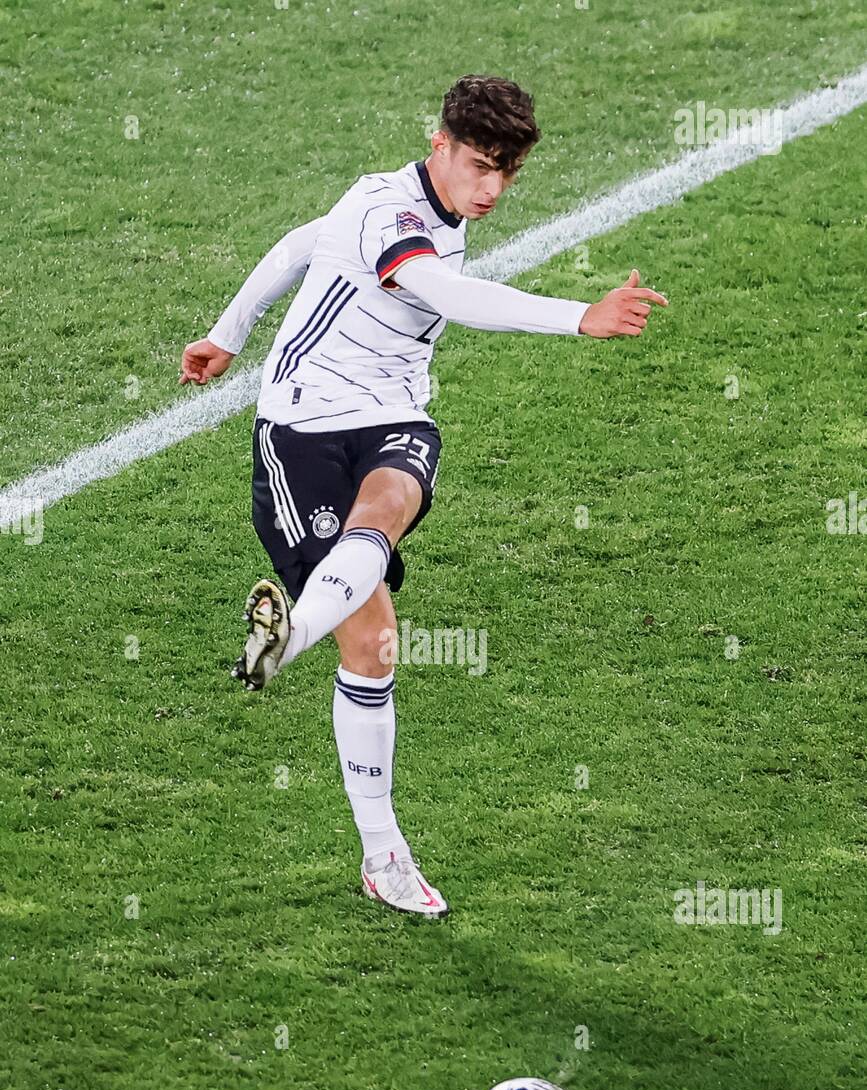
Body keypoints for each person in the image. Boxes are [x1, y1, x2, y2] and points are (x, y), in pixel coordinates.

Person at [179, 74, 667, 920]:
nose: (491, 191)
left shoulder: (421, 205)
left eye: (508, 174)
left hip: (393, 415)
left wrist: (225, 336)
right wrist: (577, 317)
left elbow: (297, 245)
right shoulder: (388, 215)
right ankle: (377, 842)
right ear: (438, 143)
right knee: (371, 649)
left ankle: (291, 650)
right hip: (299, 432)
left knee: (391, 503)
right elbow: (450, 296)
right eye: (480, 166)